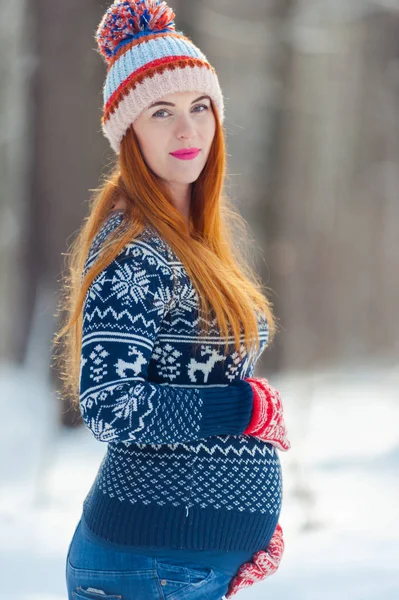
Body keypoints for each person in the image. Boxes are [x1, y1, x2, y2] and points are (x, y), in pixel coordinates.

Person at [53, 1, 291, 599]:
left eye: (200, 107)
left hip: (178, 565)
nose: (188, 130)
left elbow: (196, 390)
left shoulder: (190, 241)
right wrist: (244, 411)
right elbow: (111, 404)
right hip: (147, 567)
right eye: (161, 112)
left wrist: (240, 525)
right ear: (128, 131)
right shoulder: (136, 251)